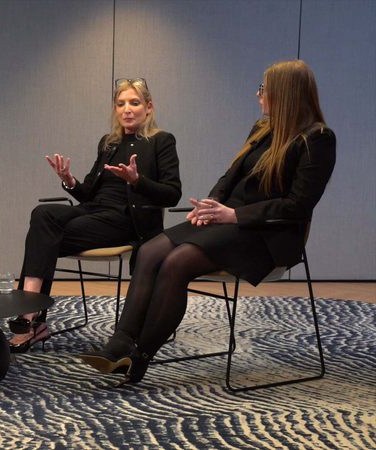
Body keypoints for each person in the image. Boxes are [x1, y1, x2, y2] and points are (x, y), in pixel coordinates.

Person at [79, 60, 336, 384]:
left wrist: (234, 215)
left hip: (267, 234)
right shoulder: (262, 130)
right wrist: (211, 205)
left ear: (284, 95)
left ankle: (140, 357)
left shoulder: (318, 139)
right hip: (226, 221)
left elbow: (299, 205)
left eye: (264, 90)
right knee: (149, 251)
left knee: (177, 262)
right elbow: (229, 177)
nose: (259, 96)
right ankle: (118, 345)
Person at [7, 78, 182, 353]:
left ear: (148, 108)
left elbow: (172, 194)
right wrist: (70, 181)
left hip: (126, 221)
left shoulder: (161, 141)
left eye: (134, 103)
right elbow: (89, 193)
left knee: (43, 240)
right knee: (42, 215)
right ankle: (32, 313)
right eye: (121, 103)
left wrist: (137, 181)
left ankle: (30, 318)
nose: (127, 109)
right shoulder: (109, 143)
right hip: (93, 212)